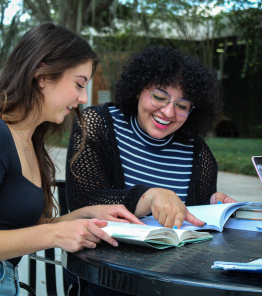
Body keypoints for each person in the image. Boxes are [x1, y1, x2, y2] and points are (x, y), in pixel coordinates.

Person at [0, 23, 144, 296]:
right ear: (43, 76)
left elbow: (19, 230)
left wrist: (84, 216)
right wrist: (53, 235)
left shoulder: (27, 140)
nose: (83, 98)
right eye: (79, 84)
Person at [66, 46, 236, 230]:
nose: (168, 112)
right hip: (104, 255)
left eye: (182, 105)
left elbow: (198, 226)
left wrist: (212, 206)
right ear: (139, 89)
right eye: (159, 97)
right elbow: (83, 203)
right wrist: (148, 197)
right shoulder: (97, 125)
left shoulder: (199, 154)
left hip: (177, 258)